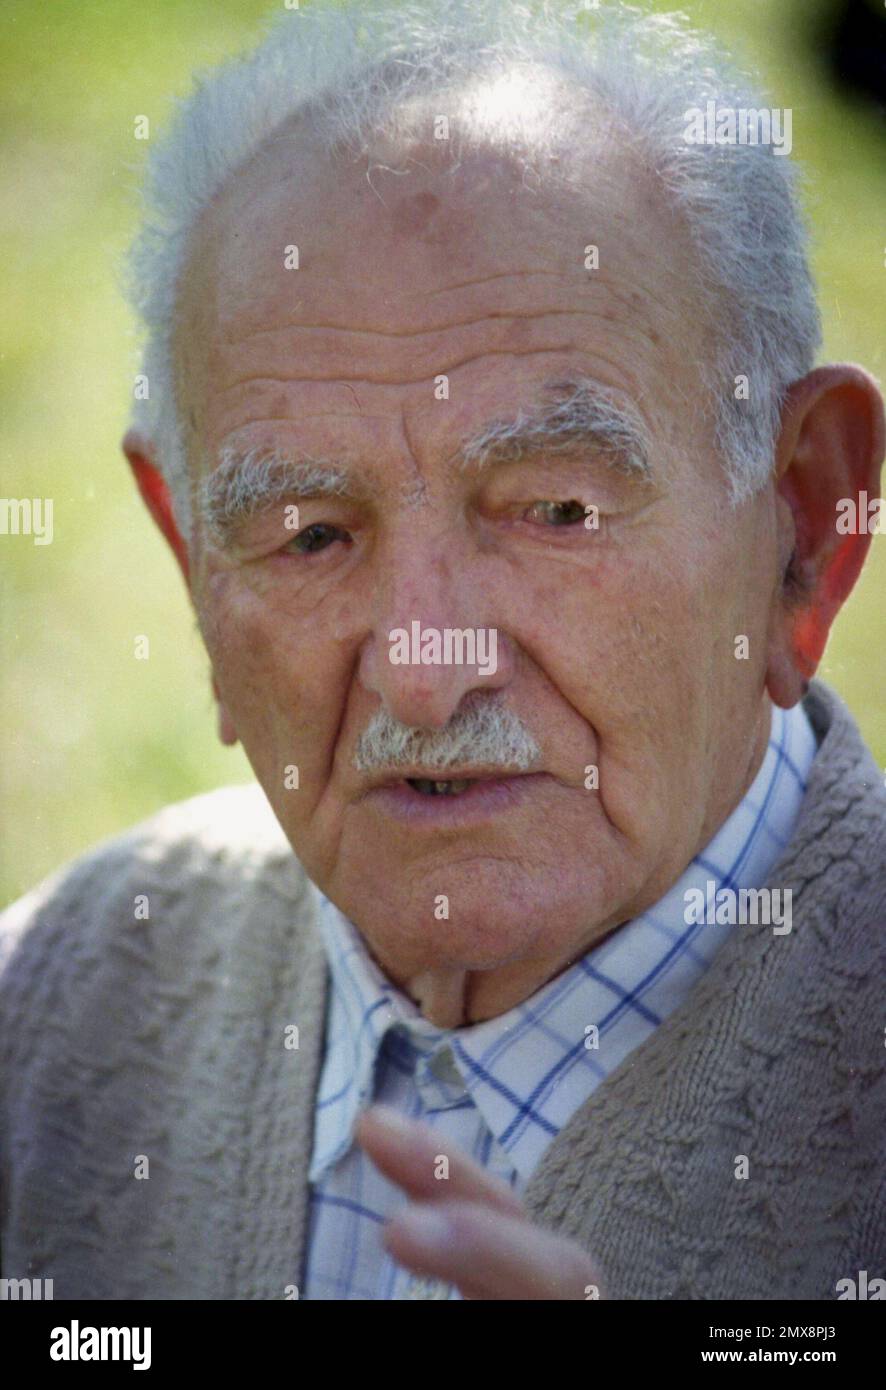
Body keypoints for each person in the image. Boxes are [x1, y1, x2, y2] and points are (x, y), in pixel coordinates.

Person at [1, 0, 884, 1301]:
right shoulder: (48, 1019)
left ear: (800, 527)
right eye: (309, 533)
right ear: (192, 563)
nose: (424, 668)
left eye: (555, 512)